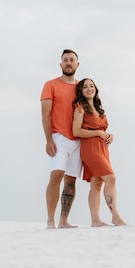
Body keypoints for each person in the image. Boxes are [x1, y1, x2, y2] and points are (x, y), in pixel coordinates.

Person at [72, 78, 127, 227]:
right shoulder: (80, 107)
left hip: (102, 148)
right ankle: (115, 216)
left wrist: (109, 135)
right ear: (81, 91)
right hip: (90, 148)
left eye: (91, 86)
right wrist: (98, 133)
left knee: (97, 183)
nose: (89, 89)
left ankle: (95, 220)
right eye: (85, 87)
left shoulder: (98, 108)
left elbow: (101, 130)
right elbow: (76, 131)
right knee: (111, 178)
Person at [40, 49, 82, 229]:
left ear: (77, 64)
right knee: (56, 174)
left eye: (72, 60)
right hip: (58, 137)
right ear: (61, 64)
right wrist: (49, 139)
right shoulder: (50, 85)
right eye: (65, 60)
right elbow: (45, 115)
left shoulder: (81, 87)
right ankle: (50, 220)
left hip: (78, 139)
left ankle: (64, 221)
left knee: (71, 180)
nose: (68, 63)